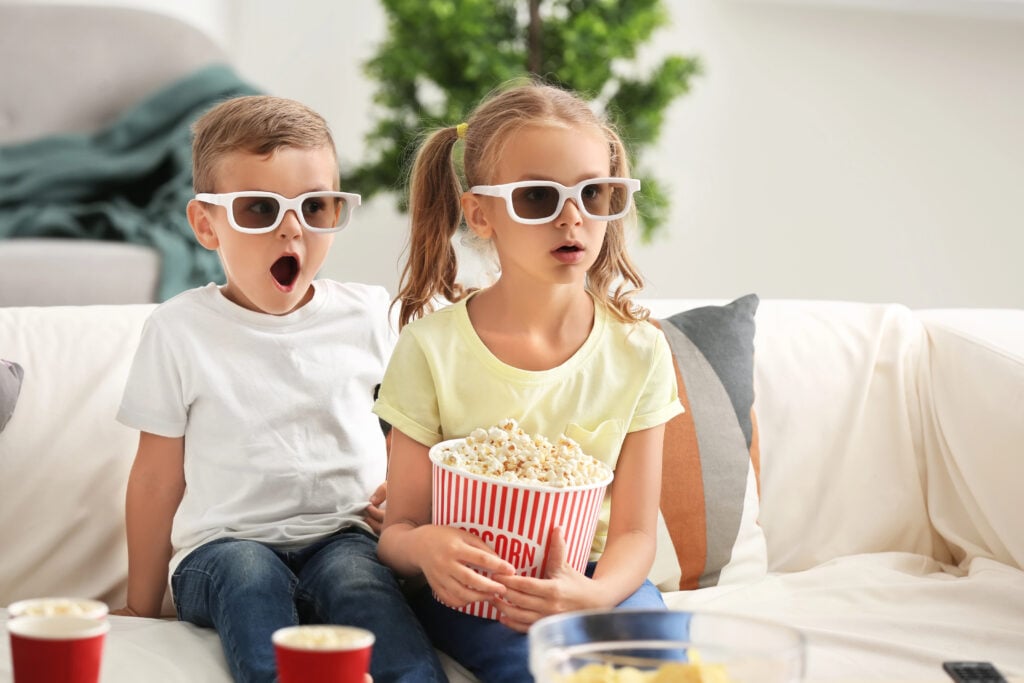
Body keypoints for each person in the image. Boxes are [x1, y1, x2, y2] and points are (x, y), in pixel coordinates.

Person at [114, 95, 446, 683]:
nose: (291, 229)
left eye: (314, 207)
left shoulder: (371, 316)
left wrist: (407, 500)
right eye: (260, 209)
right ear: (205, 225)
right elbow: (155, 478)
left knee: (359, 581)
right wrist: (143, 605)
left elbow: (420, 433)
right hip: (220, 549)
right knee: (250, 574)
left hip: (344, 536)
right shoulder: (178, 330)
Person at [372, 81, 685, 682]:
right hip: (481, 588)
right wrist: (428, 549)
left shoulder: (639, 350)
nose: (573, 217)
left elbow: (636, 532)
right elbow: (400, 530)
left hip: (598, 579)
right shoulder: (431, 349)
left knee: (662, 667)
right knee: (544, 671)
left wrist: (592, 596)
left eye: (594, 193)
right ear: (481, 214)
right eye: (539, 198)